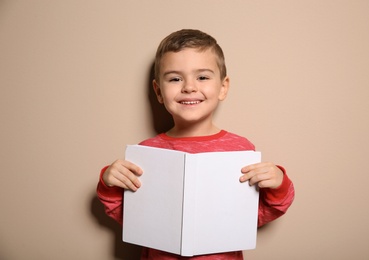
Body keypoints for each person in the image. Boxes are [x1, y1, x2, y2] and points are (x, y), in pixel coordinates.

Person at [97, 29, 295, 260]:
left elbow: (256, 216)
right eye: (175, 79)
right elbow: (132, 219)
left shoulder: (240, 149)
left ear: (223, 87)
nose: (189, 87)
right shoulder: (145, 153)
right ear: (159, 91)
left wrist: (279, 184)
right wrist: (109, 183)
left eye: (202, 77)